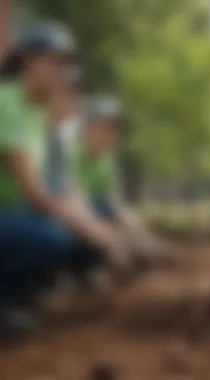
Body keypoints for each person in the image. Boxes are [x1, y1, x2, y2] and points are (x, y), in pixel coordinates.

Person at [0, 22, 122, 335]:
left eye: (67, 64)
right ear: (29, 60)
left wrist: (104, 230)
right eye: (56, 62)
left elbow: (63, 188)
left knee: (68, 222)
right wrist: (95, 233)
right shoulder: (6, 103)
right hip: (11, 214)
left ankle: (23, 296)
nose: (63, 72)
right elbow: (35, 192)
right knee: (51, 235)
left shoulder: (37, 115)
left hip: (11, 212)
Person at [72, 95, 175, 270]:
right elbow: (75, 207)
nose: (110, 135)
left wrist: (142, 237)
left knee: (114, 211)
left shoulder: (105, 161)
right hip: (75, 220)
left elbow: (115, 205)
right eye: (103, 127)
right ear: (86, 127)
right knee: (99, 207)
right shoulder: (70, 155)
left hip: (95, 219)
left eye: (114, 129)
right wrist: (111, 240)